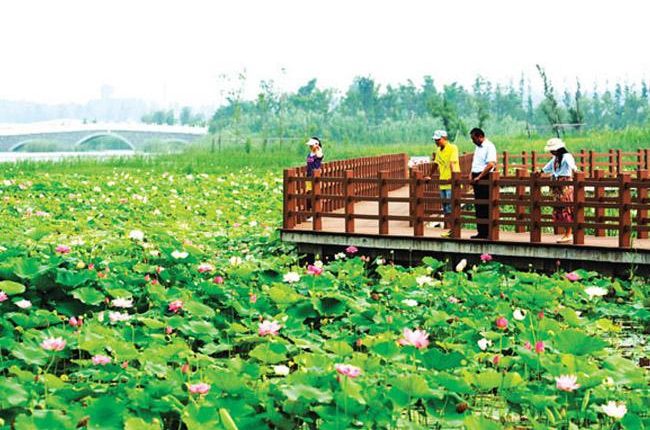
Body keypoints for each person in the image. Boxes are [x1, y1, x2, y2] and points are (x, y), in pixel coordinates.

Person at [541, 138, 577, 243]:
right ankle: (566, 233)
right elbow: (548, 167)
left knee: (567, 208)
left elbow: (572, 165)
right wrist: (541, 171)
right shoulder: (556, 158)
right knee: (560, 208)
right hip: (557, 184)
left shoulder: (566, 156)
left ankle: (568, 233)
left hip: (565, 184)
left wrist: (575, 170)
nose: (551, 152)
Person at [469, 128, 497, 239]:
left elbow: (491, 164)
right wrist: (471, 174)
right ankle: (481, 232)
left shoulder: (489, 146)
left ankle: (488, 232)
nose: (473, 141)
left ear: (480, 136)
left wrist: (480, 176)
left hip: (484, 176)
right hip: (476, 176)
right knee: (479, 205)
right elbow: (475, 162)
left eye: (474, 138)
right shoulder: (477, 147)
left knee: (485, 205)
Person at [432, 130, 460, 237]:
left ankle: (454, 230)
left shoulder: (453, 148)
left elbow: (452, 162)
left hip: (451, 183)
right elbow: (436, 164)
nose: (436, 142)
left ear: (444, 138)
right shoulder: (439, 150)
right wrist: (429, 175)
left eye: (438, 140)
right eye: (435, 140)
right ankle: (450, 230)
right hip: (443, 183)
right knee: (445, 209)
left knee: (451, 207)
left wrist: (453, 177)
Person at [305, 137, 323, 221]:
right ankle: (311, 214)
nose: (311, 147)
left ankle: (317, 214)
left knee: (315, 195)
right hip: (309, 176)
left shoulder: (318, 153)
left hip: (315, 177)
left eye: (312, 145)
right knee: (309, 195)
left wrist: (318, 148)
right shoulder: (310, 154)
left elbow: (319, 156)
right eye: (310, 146)